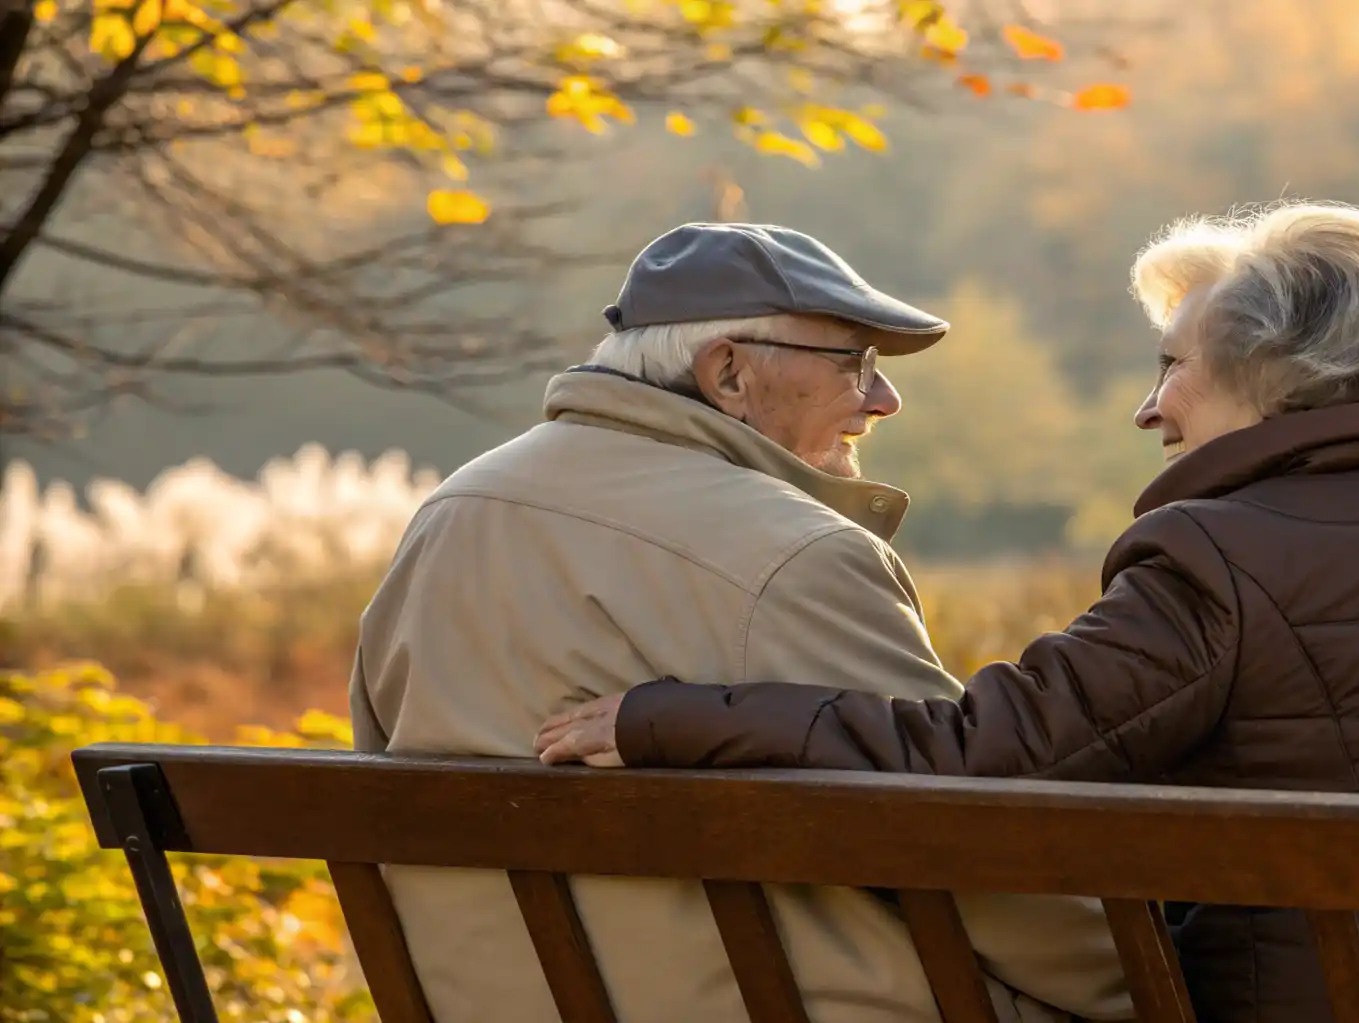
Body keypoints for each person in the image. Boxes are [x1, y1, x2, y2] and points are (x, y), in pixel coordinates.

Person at [535, 202, 1359, 1023]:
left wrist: (668, 718)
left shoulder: (1220, 557)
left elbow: (975, 760)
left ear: (1274, 378)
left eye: (1170, 366)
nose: (1147, 410)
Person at [350, 222, 1131, 1023]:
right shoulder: (799, 557)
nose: (884, 398)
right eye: (855, 362)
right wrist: (1152, 981)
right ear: (727, 372)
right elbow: (972, 850)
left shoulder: (449, 515)